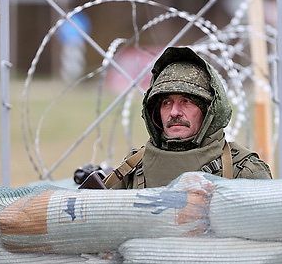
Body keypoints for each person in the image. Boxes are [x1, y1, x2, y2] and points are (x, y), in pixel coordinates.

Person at [102, 46, 272, 189]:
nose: (174, 112)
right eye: (166, 103)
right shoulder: (132, 169)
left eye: (187, 101)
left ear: (209, 110)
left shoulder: (244, 171)